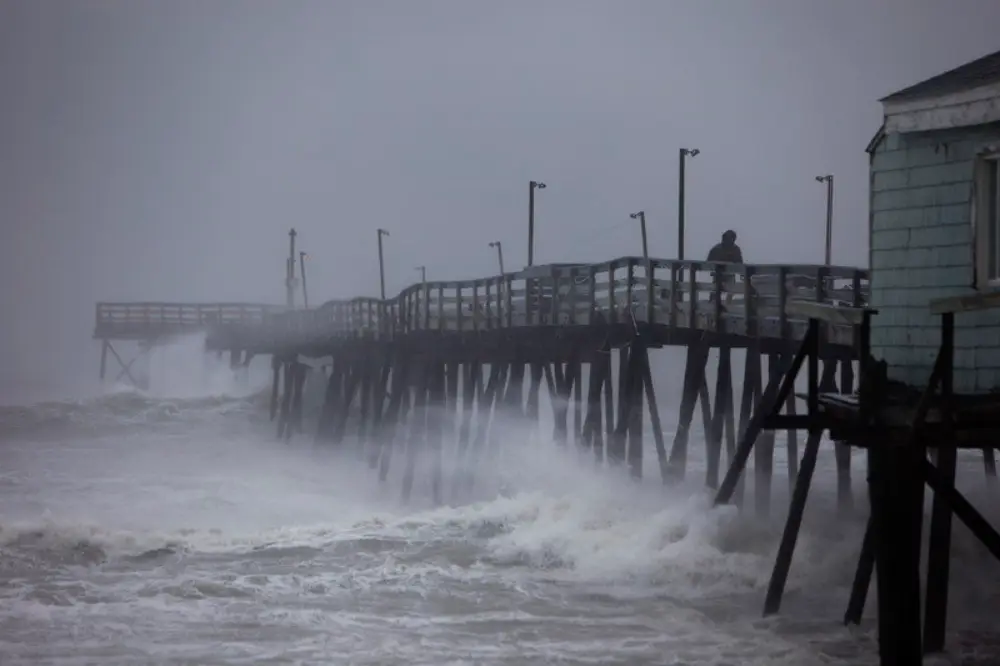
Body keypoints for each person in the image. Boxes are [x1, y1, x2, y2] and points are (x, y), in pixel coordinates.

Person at [707, 230, 744, 305]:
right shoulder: (717, 249)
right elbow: (708, 262)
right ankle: (713, 305)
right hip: (718, 274)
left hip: (729, 275)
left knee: (730, 290)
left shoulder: (735, 249)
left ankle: (727, 305)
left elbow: (739, 263)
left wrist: (742, 273)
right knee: (716, 290)